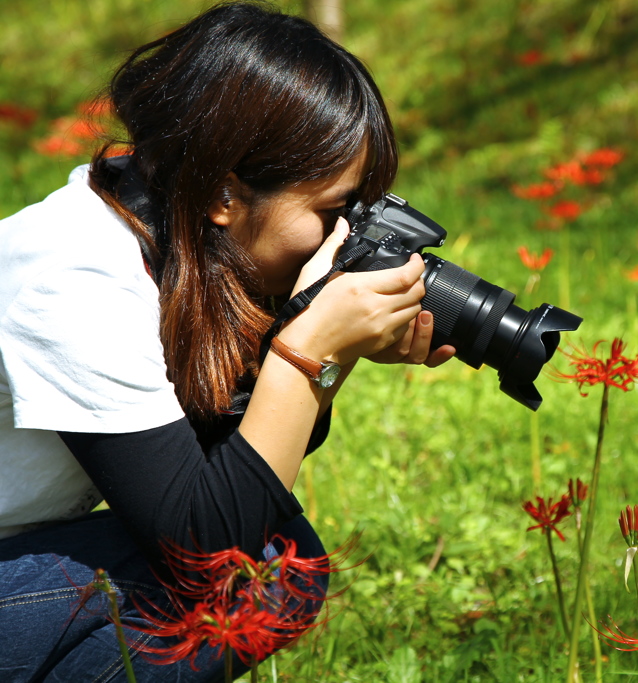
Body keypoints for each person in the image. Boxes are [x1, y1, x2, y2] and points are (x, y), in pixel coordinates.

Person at [0, 2, 454, 680]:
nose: (343, 241)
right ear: (221, 192)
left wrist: (331, 350)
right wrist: (310, 348)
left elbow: (226, 464)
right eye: (333, 212)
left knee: (276, 559)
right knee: (263, 572)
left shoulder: (161, 228)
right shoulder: (75, 274)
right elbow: (206, 546)